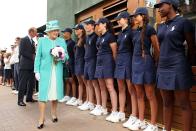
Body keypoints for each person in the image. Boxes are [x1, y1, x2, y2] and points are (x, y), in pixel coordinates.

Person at [154, 0, 195, 130]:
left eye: (161, 6)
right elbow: (160, 47)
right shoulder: (160, 26)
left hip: (178, 66)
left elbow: (192, 47)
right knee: (166, 102)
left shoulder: (184, 22)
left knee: (184, 103)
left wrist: (186, 65)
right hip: (163, 67)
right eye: (158, 7)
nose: (159, 9)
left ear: (170, 5)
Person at [128, 7, 160, 131]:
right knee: (139, 94)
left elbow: (157, 49)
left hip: (146, 63)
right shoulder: (134, 31)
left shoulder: (150, 29)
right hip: (135, 63)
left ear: (144, 16)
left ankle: (153, 124)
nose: (135, 17)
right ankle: (141, 121)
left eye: (137, 15)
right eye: (134, 16)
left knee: (150, 94)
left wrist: (155, 62)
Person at [34, 20, 69, 129]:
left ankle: (54, 113)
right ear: (48, 32)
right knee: (43, 96)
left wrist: (62, 56)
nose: (56, 32)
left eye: (57, 30)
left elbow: (66, 57)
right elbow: (38, 57)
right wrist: (36, 71)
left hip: (57, 72)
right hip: (45, 73)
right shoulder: (42, 41)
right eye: (53, 30)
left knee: (55, 95)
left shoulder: (62, 41)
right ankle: (41, 118)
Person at [113, 11, 138, 125]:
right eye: (117, 19)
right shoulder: (120, 34)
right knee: (121, 88)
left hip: (128, 60)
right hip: (120, 61)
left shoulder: (132, 32)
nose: (118, 21)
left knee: (131, 89)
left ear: (126, 19)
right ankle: (121, 112)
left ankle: (134, 115)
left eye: (120, 19)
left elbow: (135, 49)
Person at [95, 18, 118, 122]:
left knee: (110, 86)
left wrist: (114, 64)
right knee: (102, 87)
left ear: (104, 24)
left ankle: (114, 111)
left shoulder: (110, 36)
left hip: (107, 62)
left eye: (98, 24)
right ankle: (104, 108)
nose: (97, 26)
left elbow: (114, 53)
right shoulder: (100, 37)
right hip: (99, 63)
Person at [82, 19, 102, 114]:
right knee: (88, 82)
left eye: (88, 25)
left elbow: (98, 49)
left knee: (95, 83)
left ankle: (98, 104)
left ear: (93, 26)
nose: (86, 26)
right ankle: (90, 102)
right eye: (85, 25)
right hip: (87, 61)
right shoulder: (87, 37)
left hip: (93, 61)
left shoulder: (96, 37)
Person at [66, 24, 87, 107]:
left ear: (82, 30)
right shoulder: (78, 39)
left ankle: (87, 101)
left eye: (77, 29)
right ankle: (80, 99)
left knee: (86, 83)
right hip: (77, 62)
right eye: (75, 29)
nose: (76, 30)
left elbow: (86, 51)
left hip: (82, 62)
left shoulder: (84, 39)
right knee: (80, 83)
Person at [18, 27, 37, 106]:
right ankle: (20, 101)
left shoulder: (32, 41)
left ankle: (29, 98)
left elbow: (33, 52)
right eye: (35, 32)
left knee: (31, 83)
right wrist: (32, 56)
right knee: (23, 83)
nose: (36, 34)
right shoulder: (24, 39)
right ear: (31, 32)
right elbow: (22, 51)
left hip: (32, 66)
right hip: (24, 66)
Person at [59, 28, 76, 103]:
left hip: (71, 63)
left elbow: (74, 54)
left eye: (64, 32)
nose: (63, 34)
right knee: (66, 80)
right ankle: (67, 96)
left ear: (69, 33)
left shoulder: (72, 42)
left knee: (72, 80)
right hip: (64, 63)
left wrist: (71, 62)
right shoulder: (64, 42)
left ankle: (74, 97)